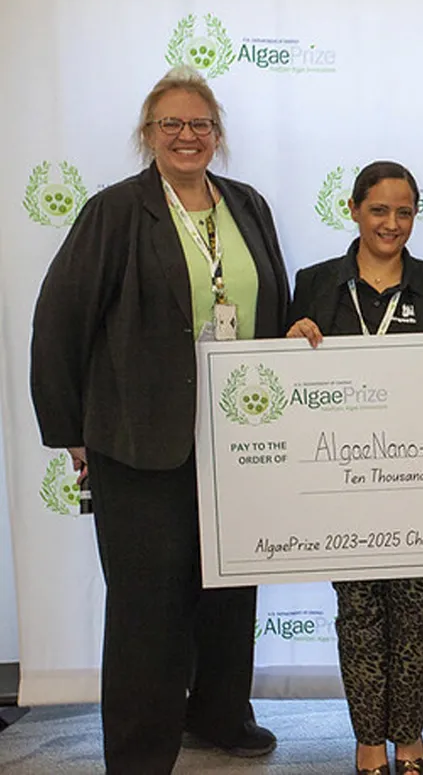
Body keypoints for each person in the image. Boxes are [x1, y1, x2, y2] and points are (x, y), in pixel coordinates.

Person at [29, 65, 286, 773]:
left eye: (200, 124)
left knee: (230, 591)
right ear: (148, 134)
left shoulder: (248, 205)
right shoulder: (116, 211)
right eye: (171, 123)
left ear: (218, 135)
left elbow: (269, 296)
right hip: (140, 440)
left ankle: (219, 714)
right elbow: (60, 321)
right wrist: (70, 427)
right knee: (148, 606)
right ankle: (142, 753)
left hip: (237, 439)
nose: (186, 135)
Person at [287, 161, 423, 775]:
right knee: (358, 609)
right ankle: (368, 738)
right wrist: (290, 344)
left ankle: (409, 734)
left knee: (418, 608)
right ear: (354, 209)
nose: (392, 224)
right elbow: (289, 381)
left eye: (405, 212)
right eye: (380, 210)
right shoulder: (314, 284)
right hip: (344, 479)